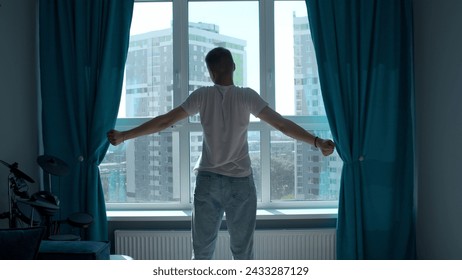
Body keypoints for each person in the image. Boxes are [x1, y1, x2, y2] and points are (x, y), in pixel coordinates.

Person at [107, 47, 335, 260]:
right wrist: (317, 141)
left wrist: (124, 136)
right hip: (240, 184)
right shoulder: (247, 96)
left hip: (208, 181)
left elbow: (165, 121)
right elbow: (282, 125)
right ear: (234, 66)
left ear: (211, 72)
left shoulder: (202, 96)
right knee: (243, 254)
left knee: (202, 254)